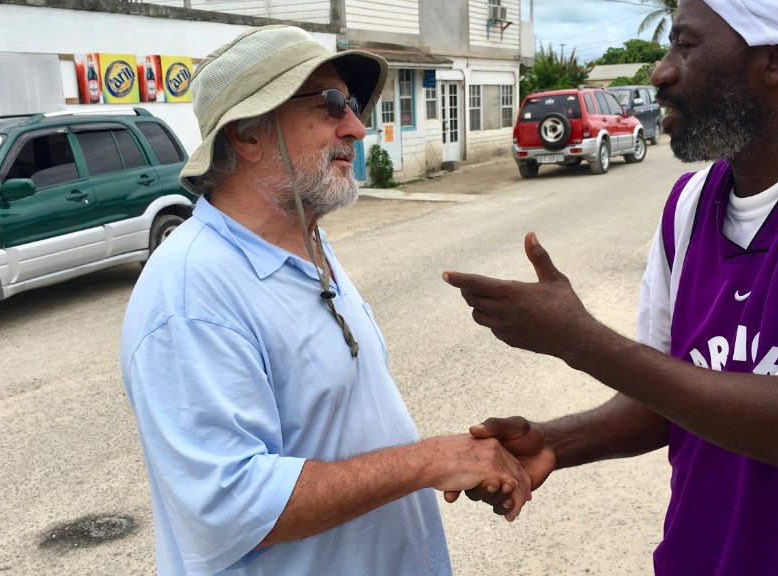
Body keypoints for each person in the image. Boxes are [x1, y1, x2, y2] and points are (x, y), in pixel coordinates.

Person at [443, 0, 778, 574]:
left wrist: (580, 342)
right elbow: (666, 397)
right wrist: (558, 443)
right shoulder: (691, 205)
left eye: (685, 44)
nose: (660, 71)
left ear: (776, 58)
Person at [120, 25, 530, 576]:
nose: (358, 128)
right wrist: (429, 461)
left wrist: (466, 460)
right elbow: (226, 506)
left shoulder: (306, 240)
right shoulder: (193, 289)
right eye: (332, 104)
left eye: (353, 104)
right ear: (246, 134)